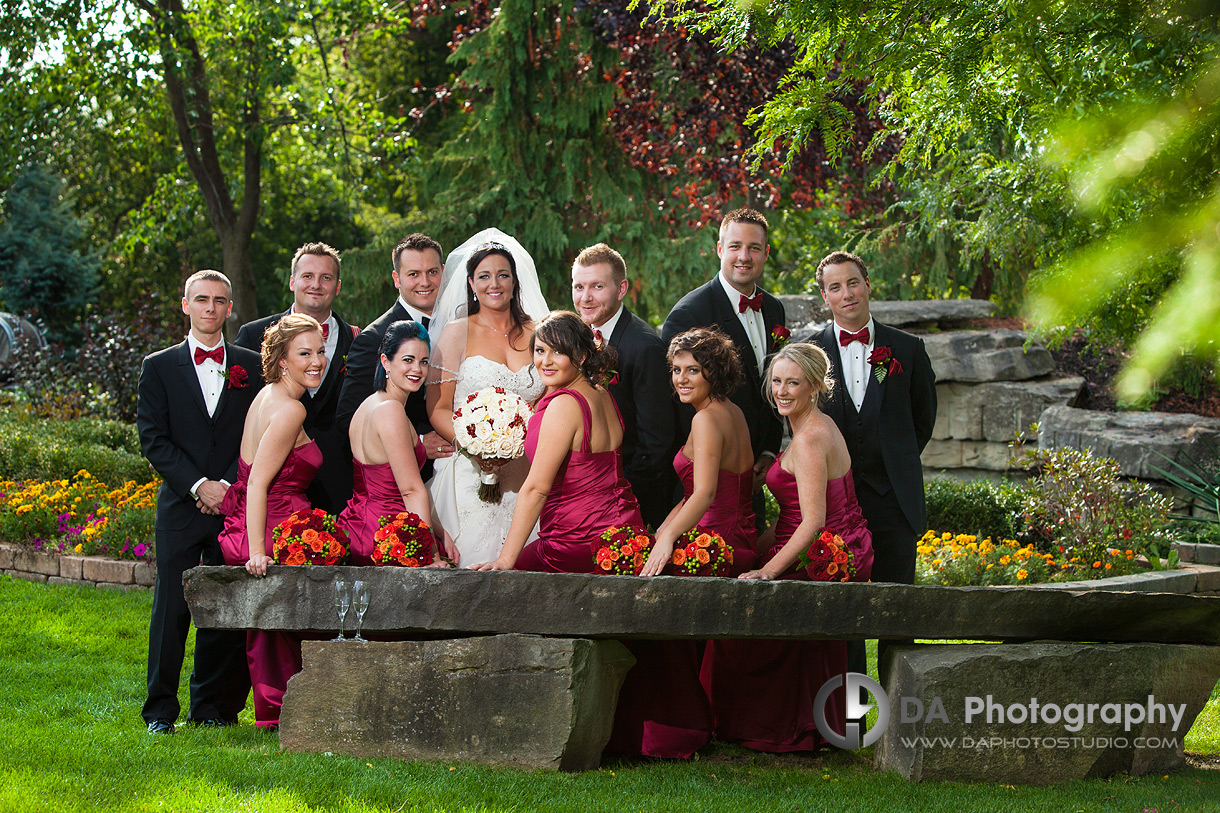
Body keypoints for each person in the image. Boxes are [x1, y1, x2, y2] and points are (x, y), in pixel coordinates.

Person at [472, 312, 712, 760]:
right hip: (621, 533)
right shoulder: (601, 394)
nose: (545, 360)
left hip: (576, 541)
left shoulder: (564, 404)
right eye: (539, 350)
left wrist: (507, 559)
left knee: (497, 594)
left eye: (556, 351)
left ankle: (514, 716)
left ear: (582, 354)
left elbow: (540, 487)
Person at [703, 342, 874, 752]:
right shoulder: (810, 425)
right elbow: (794, 514)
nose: (781, 390)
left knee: (745, 615)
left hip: (824, 549)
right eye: (776, 381)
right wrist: (760, 545)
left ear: (815, 385)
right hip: (814, 539)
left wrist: (768, 570)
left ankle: (775, 725)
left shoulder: (812, 437)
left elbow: (813, 521)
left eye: (792, 382)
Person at [137, 269, 262, 735]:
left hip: (234, 505)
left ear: (231, 308)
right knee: (171, 609)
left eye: (220, 301)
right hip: (181, 508)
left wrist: (229, 486)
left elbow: (258, 433)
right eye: (202, 299)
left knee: (224, 609)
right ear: (185, 304)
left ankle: (211, 708)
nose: (211, 308)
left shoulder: (250, 365)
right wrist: (198, 486)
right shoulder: (159, 366)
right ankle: (159, 712)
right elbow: (154, 439)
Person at [810, 250, 936, 690]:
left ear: (868, 285)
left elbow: (922, 420)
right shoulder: (810, 354)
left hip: (893, 504)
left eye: (853, 283)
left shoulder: (906, 349)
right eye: (835, 287)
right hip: (835, 507)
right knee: (846, 620)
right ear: (825, 296)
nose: (846, 294)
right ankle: (851, 723)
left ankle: (902, 718)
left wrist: (894, 462)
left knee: (898, 618)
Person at [217, 314, 325, 730]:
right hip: (275, 529)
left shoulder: (267, 396)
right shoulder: (290, 410)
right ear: (282, 360)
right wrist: (260, 551)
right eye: (304, 353)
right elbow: (258, 484)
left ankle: (280, 710)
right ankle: (283, 710)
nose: (315, 361)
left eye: (318, 352)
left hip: (265, 521)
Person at [425, 229, 549, 566]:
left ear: (514, 282)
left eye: (503, 275)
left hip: (528, 471)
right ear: (471, 282)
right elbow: (437, 408)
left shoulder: (539, 332)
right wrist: (475, 448)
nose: (494, 284)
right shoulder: (456, 332)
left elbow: (550, 399)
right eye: (484, 276)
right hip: (469, 468)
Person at [661, 208, 786, 529]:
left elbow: (772, 389)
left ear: (766, 253)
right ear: (719, 249)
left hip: (754, 475)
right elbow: (678, 401)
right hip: (705, 481)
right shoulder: (689, 314)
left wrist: (769, 453)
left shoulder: (774, 310)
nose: (744, 256)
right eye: (735, 246)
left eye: (754, 248)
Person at [235, 242, 358, 513]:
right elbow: (238, 417)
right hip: (273, 490)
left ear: (337, 287)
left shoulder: (359, 340)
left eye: (326, 277)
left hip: (340, 486)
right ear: (292, 282)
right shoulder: (252, 336)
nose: (316, 284)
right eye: (307, 276)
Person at [571, 243, 676, 529]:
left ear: (621, 289)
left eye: (597, 287)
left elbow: (656, 443)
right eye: (579, 287)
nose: (585, 297)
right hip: (584, 492)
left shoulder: (644, 347)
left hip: (628, 501)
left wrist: (618, 494)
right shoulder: (575, 339)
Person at [640, 328, 756, 577]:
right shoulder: (733, 411)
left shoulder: (705, 420)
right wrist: (663, 529)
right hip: (741, 535)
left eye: (693, 370)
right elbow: (695, 491)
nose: (681, 379)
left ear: (714, 372)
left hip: (713, 539)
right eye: (676, 369)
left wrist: (667, 539)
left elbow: (705, 493)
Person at [337, 233, 452, 481]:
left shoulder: (461, 326)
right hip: (409, 478)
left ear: (443, 272)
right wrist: (417, 441)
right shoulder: (373, 339)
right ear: (396, 279)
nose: (425, 282)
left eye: (432, 272)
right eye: (413, 274)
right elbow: (349, 417)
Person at [337, 321, 434, 565]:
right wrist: (431, 554)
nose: (418, 369)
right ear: (385, 362)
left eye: (424, 362)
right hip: (388, 535)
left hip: (360, 523)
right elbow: (411, 489)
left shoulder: (371, 403)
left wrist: (439, 531)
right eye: (408, 360)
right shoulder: (390, 410)